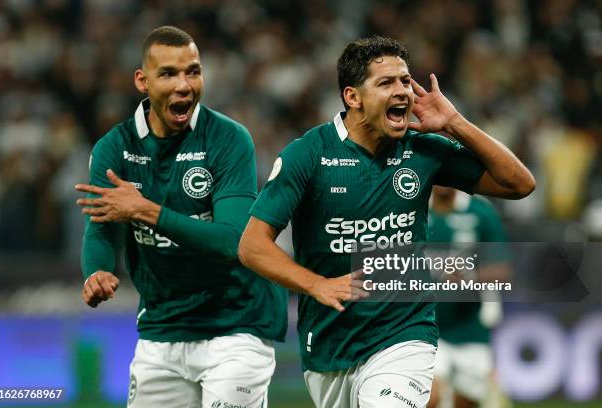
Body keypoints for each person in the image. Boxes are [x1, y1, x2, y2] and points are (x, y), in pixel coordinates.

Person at [238, 35, 534, 408]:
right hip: (330, 342)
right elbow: (252, 245)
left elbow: (519, 184)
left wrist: (455, 122)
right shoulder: (308, 155)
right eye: (386, 83)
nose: (403, 92)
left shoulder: (423, 149)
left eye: (405, 81)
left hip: (405, 332)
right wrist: (316, 284)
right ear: (352, 97)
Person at [75, 26, 286, 408]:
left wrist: (145, 210)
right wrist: (97, 270)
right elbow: (100, 228)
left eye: (193, 71)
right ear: (142, 80)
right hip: (161, 329)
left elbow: (233, 241)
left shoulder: (227, 138)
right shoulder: (113, 149)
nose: (185, 85)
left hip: (235, 325)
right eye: (169, 73)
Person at [427, 186, 512, 408]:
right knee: (429, 396)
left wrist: (469, 276)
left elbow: (502, 269)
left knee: (465, 401)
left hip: (470, 326)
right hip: (426, 325)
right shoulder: (411, 207)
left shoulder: (480, 211)